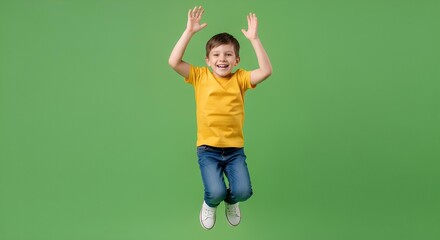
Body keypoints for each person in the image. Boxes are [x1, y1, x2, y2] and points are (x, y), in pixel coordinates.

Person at [168, 6, 272, 230]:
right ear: (207, 60)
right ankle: (210, 203)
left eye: (228, 55)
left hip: (234, 150)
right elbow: (174, 62)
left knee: (243, 192)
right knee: (214, 192)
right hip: (208, 149)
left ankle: (231, 202)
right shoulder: (199, 76)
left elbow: (265, 71)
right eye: (216, 55)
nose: (222, 59)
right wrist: (189, 32)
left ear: (236, 60)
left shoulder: (241, 79)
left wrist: (254, 39)